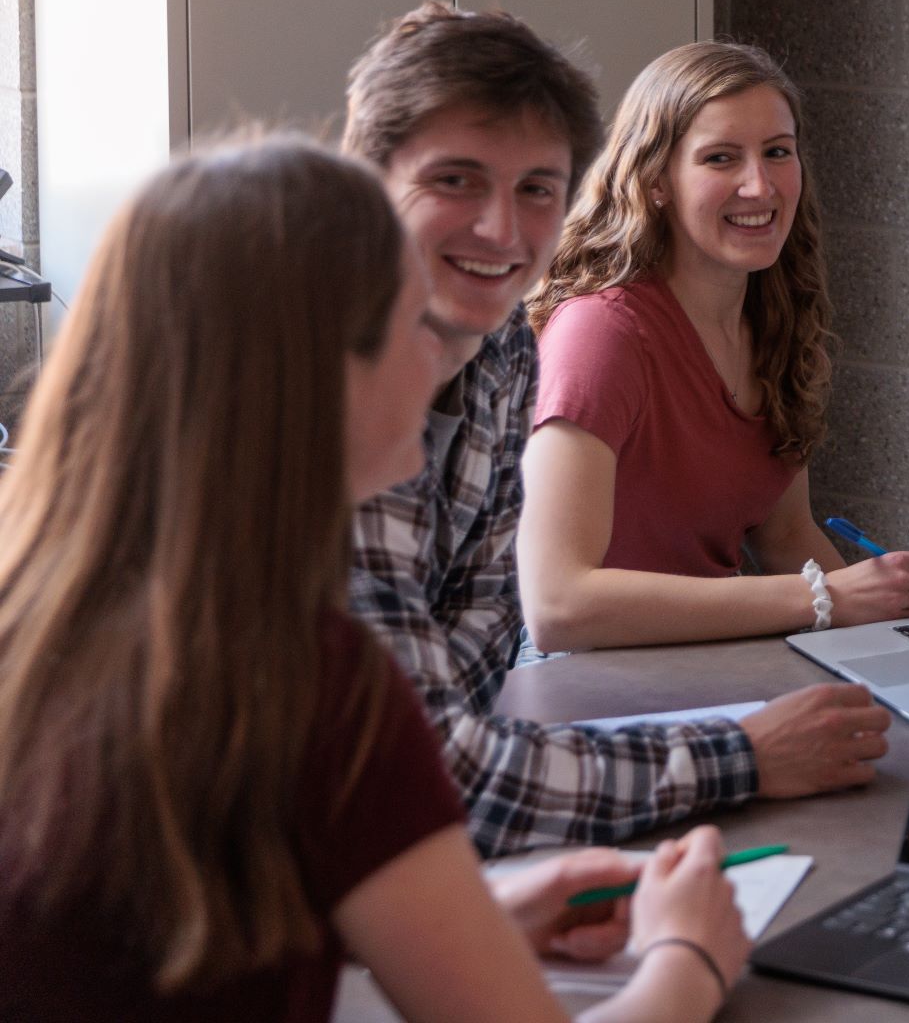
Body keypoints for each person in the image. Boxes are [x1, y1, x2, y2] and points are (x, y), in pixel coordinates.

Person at [0, 136, 748, 1021]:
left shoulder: (50, 610)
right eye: (414, 324)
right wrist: (689, 948)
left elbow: (123, 929)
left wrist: (439, 919)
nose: (441, 356)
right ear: (316, 374)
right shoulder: (315, 685)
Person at [344, 3, 893, 857]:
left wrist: (894, 636)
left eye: (536, 189)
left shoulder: (495, 366)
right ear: (651, 180)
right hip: (579, 702)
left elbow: (448, 746)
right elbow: (534, 637)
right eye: (455, 180)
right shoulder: (356, 402)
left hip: (629, 712)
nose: (502, 230)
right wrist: (744, 748)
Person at [520, 40, 909, 652]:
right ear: (656, 181)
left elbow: (785, 535)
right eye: (721, 159)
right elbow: (558, 607)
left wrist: (894, 628)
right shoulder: (602, 332)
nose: (759, 186)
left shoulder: (777, 324)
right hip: (579, 678)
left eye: (778, 153)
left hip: (703, 662)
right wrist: (828, 599)